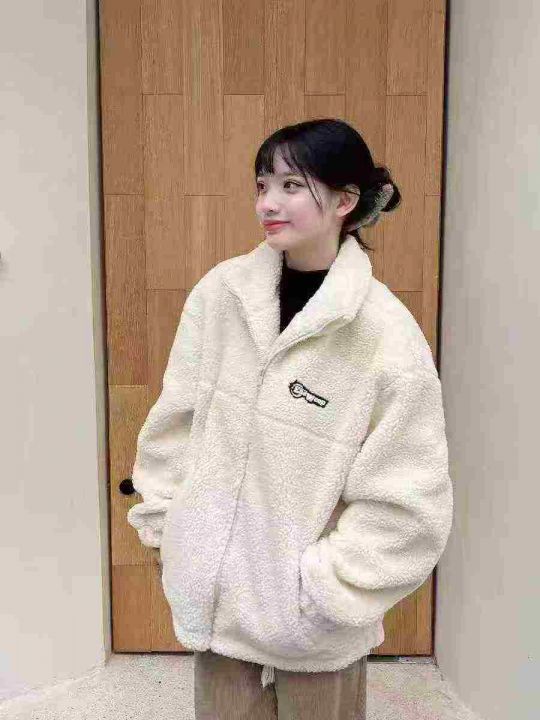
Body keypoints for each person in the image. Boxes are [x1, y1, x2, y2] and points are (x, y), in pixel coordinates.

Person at [126, 118, 454, 719]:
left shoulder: (384, 333)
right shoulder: (220, 295)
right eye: (261, 185)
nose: (267, 203)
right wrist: (171, 532)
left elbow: (410, 499)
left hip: (316, 621)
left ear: (345, 201)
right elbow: (175, 423)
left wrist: (328, 589)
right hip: (215, 599)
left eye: (291, 186)